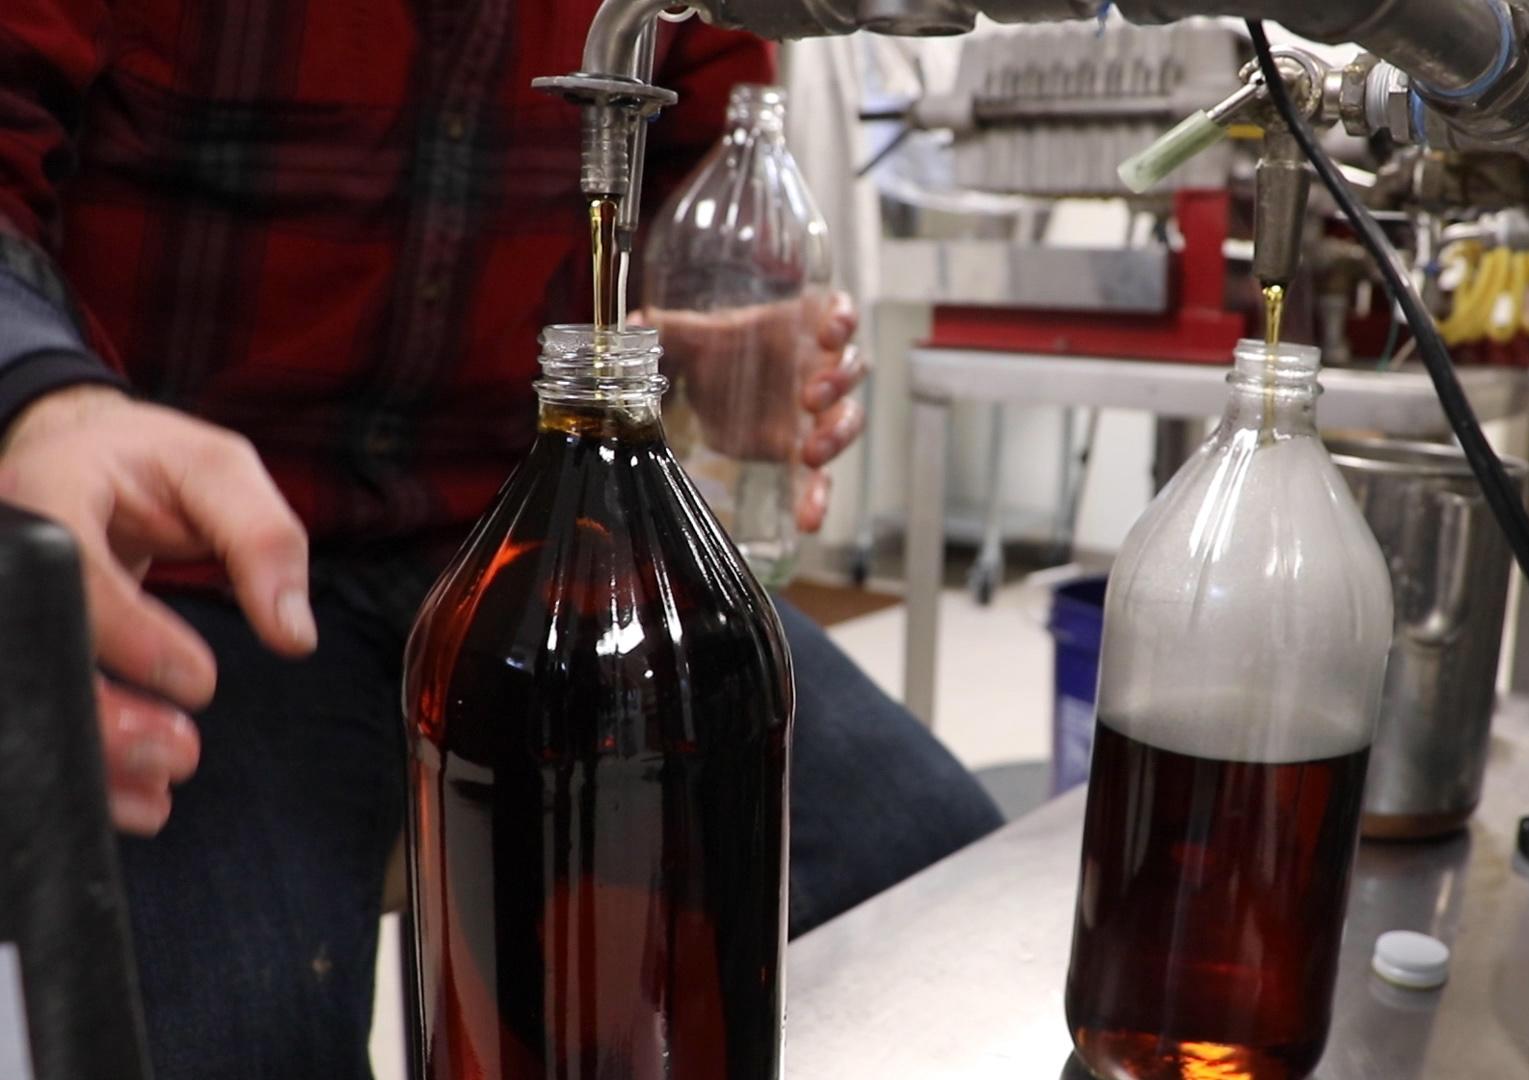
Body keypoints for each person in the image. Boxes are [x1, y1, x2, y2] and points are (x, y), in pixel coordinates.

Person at [0, 4, 1003, 1077]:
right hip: (196, 565)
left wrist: (701, 344)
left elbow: (685, 177)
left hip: (533, 531)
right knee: (214, 1035)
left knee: (927, 873)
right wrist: (37, 398)